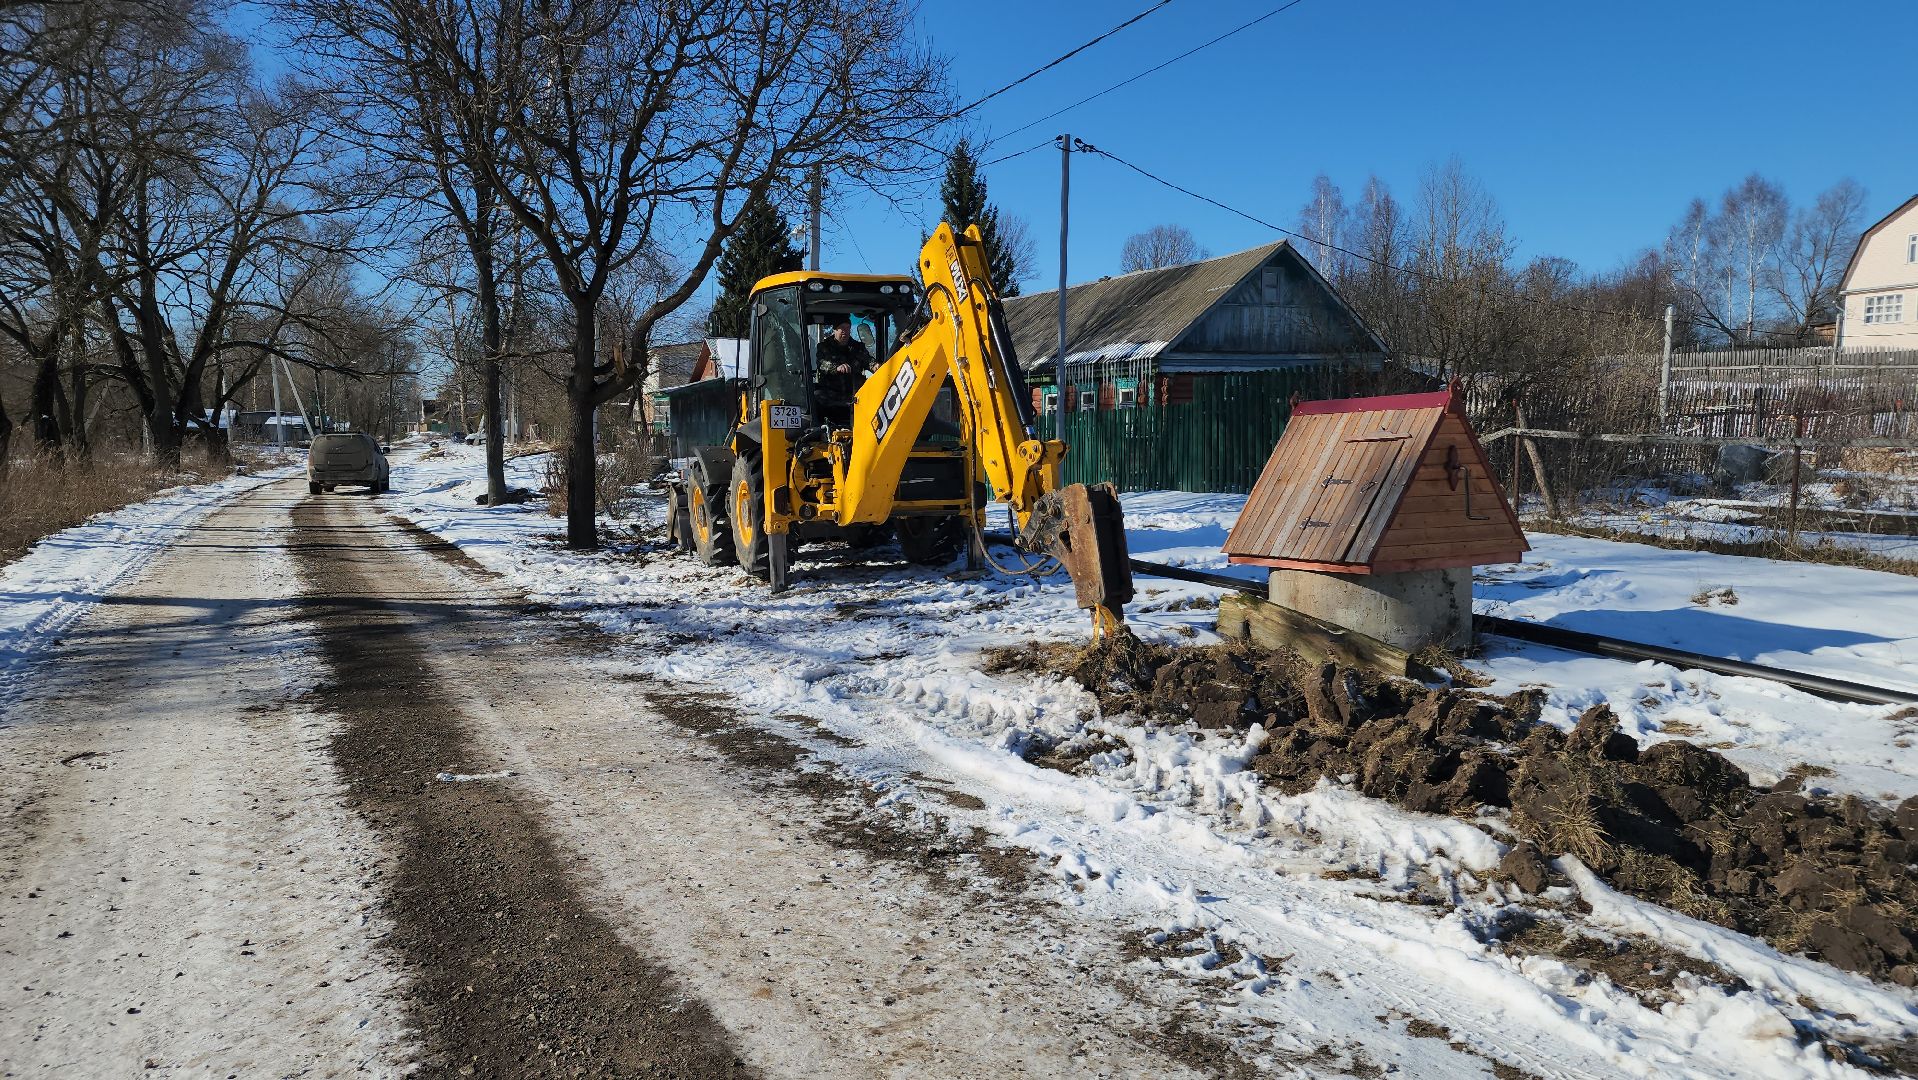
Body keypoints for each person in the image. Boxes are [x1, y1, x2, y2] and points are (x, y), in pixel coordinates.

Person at [815, 318, 873, 428]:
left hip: (854, 395)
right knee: (817, 396)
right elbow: (822, 364)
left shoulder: (857, 347)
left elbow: (868, 360)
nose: (845, 331)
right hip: (831, 394)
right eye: (842, 328)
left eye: (848, 328)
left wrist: (876, 366)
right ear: (834, 330)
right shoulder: (824, 347)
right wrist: (836, 368)